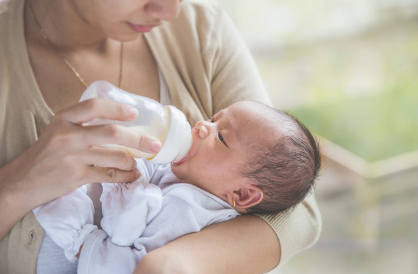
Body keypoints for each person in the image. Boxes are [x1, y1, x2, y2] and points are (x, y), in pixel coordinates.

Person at [0, 0, 322, 273]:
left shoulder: (200, 30)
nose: (170, 11)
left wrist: (169, 262)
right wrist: (20, 184)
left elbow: (298, 213)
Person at [33, 100, 321, 274]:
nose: (200, 126)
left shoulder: (188, 210)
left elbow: (126, 235)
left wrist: (131, 189)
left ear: (242, 194)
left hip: (109, 261)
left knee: (64, 208)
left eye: (221, 137)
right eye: (212, 119)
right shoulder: (190, 174)